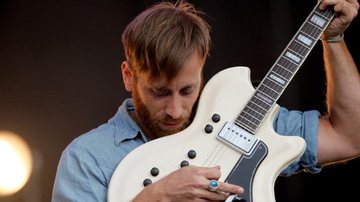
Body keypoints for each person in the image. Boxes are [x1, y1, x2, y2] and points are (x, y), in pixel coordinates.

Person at [51, 0, 360, 201]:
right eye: (159, 92)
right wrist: (156, 196)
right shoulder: (88, 157)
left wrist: (332, 39)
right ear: (129, 76)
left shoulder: (243, 120)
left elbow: (349, 137)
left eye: (187, 90)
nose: (175, 110)